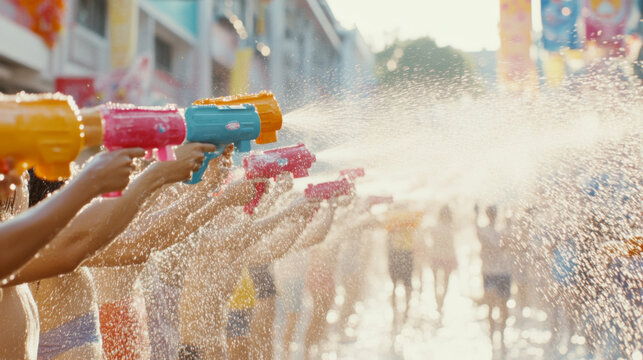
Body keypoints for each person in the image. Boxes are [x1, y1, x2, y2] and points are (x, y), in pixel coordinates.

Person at [0, 148, 144, 360]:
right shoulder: (18, 252)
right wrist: (154, 177)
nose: (21, 180)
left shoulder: (17, 254)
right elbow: (76, 249)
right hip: (69, 343)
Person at [474, 204, 512, 354]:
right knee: (503, 306)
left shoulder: (484, 231)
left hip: (490, 273)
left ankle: (492, 335)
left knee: (491, 306)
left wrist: (475, 212)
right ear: (496, 215)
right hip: (502, 273)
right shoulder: (503, 231)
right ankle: (500, 335)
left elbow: (475, 227)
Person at [384, 207, 423, 327]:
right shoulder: (410, 223)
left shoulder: (393, 224)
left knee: (395, 284)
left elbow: (387, 243)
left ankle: (395, 310)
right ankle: (406, 310)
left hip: (396, 255)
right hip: (407, 255)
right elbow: (416, 241)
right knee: (407, 285)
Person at [428, 205, 457, 317]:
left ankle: (439, 302)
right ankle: (440, 302)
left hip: (438, 256)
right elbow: (452, 244)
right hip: (446, 256)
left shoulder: (435, 227)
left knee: (438, 281)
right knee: (444, 281)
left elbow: (432, 242)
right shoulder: (450, 228)